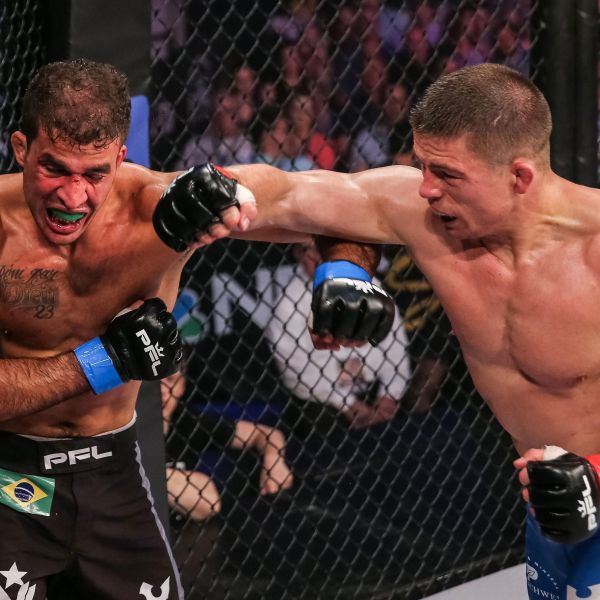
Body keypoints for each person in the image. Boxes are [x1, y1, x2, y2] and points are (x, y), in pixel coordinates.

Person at [151, 63, 600, 599]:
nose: (427, 189)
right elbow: (293, 195)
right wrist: (207, 190)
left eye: (447, 174)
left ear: (519, 177)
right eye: (422, 166)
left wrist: (596, 476)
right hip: (548, 509)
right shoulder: (428, 215)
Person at [0, 58, 260, 600]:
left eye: (94, 174)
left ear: (121, 158)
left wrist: (345, 265)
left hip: (113, 472)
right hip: (8, 478)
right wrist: (106, 361)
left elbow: (317, 199)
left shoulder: (158, 209)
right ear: (20, 148)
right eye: (55, 169)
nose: (73, 198)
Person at [266, 240, 410, 438]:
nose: (318, 256)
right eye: (309, 250)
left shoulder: (369, 285)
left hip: (374, 388)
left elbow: (395, 344)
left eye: (324, 247)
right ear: (298, 254)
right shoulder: (287, 305)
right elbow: (296, 372)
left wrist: (389, 396)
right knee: (319, 421)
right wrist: (348, 403)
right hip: (326, 400)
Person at [160, 372, 293, 522]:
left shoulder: (186, 420)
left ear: (182, 385)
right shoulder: (137, 429)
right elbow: (206, 502)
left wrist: (274, 461)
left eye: (170, 380)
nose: (162, 390)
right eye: (153, 382)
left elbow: (265, 434)